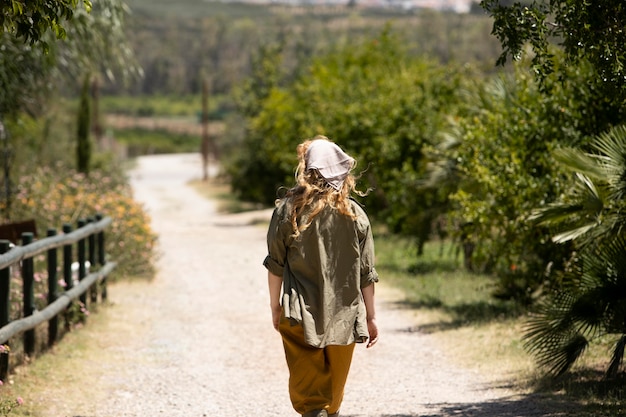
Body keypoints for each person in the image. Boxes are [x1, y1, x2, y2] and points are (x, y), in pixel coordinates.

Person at [263, 135, 379, 417]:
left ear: (306, 170)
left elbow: (276, 265)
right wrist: (371, 317)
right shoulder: (355, 215)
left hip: (299, 313)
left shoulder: (287, 212)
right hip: (344, 315)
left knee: (312, 396)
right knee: (334, 395)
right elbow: (367, 273)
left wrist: (275, 306)